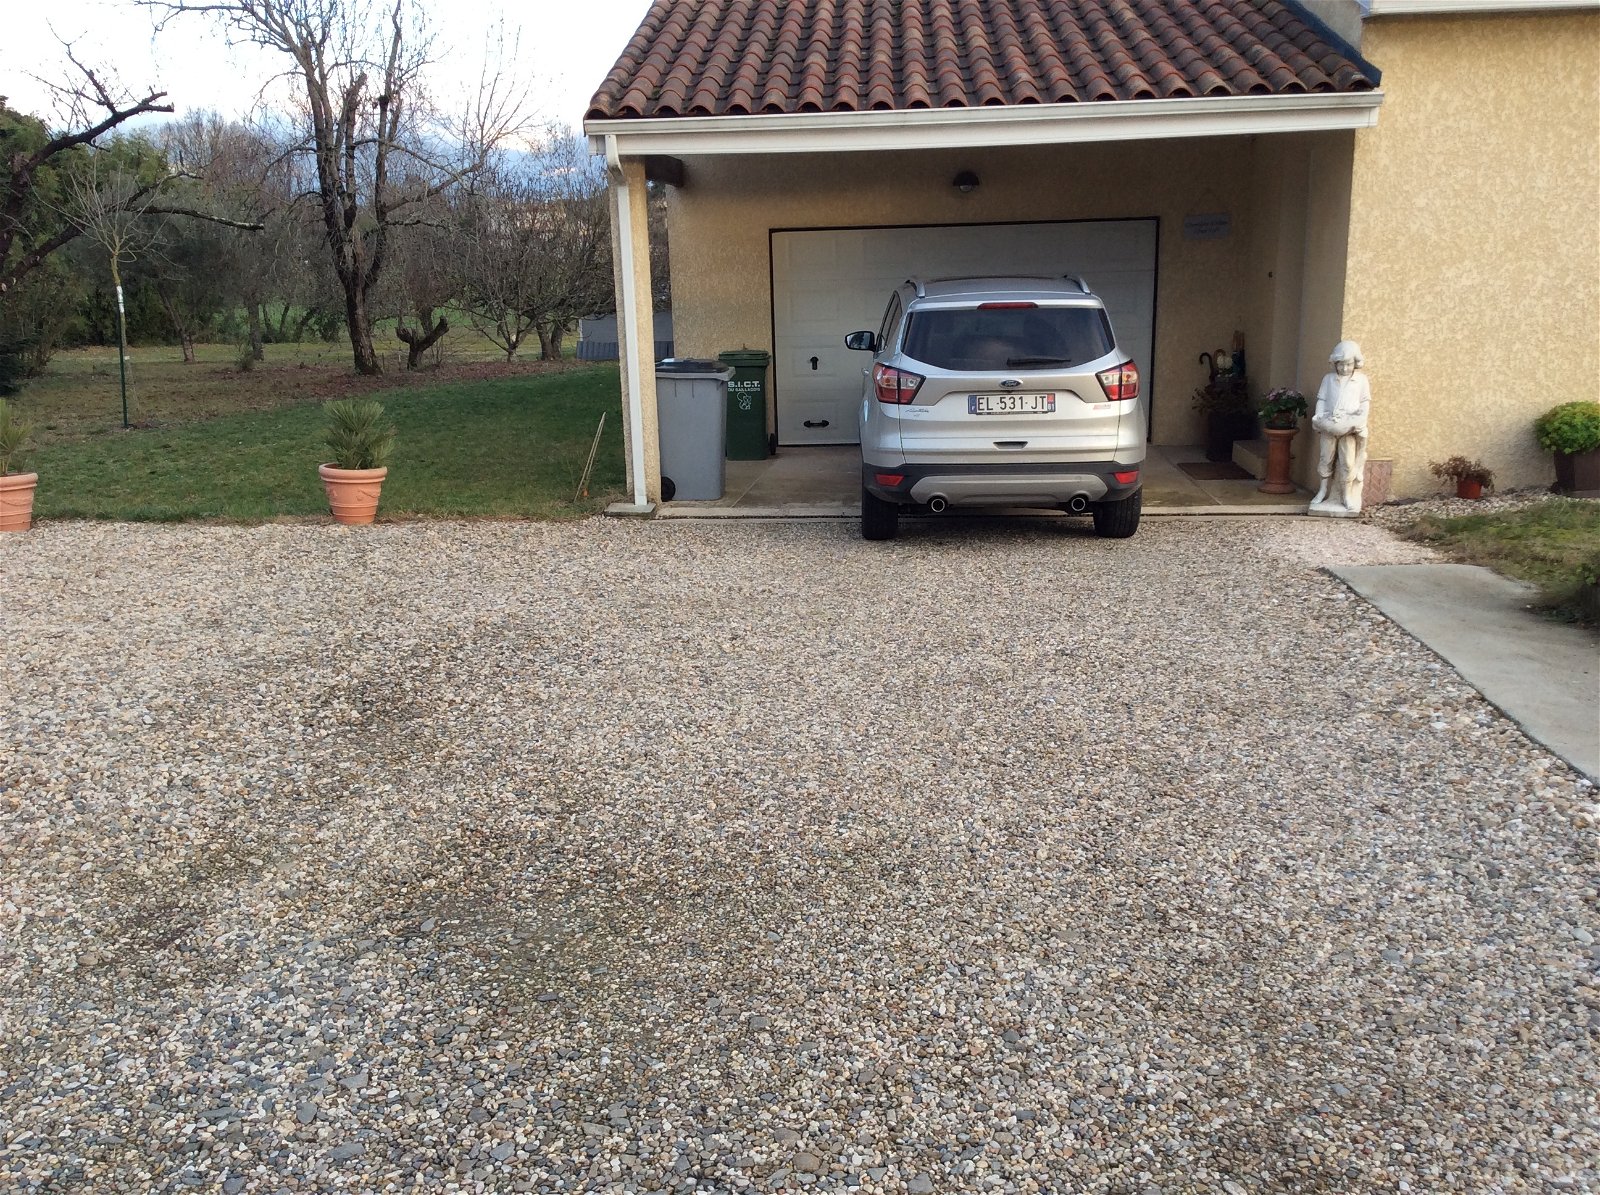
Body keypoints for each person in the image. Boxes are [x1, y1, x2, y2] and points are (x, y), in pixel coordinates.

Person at [1310, 340, 1370, 513]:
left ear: (1355, 363)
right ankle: (1322, 490)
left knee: (1348, 461)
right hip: (1329, 423)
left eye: (1348, 364)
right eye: (1341, 365)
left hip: (1349, 426)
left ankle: (1347, 494)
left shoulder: (1361, 380)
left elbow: (1365, 403)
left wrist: (1358, 421)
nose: (1344, 369)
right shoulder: (1328, 379)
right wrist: (1319, 417)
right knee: (1325, 458)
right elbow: (1321, 399)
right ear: (1335, 363)